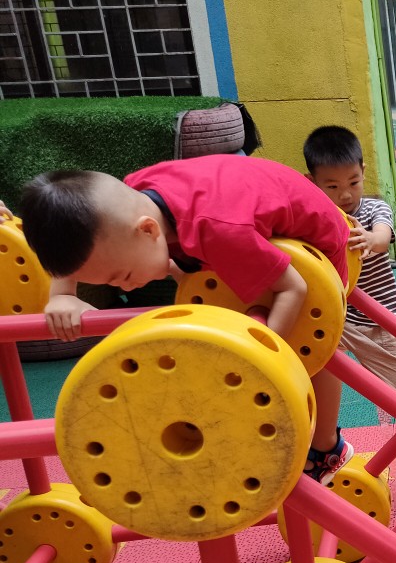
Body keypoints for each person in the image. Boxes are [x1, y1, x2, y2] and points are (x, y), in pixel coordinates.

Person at [18, 155, 355, 484]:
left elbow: (295, 288)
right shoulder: (134, 199)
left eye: (123, 275)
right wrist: (62, 294)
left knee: (313, 349)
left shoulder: (219, 232)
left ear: (148, 230)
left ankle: (328, 447)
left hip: (317, 245)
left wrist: (260, 358)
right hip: (245, 216)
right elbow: (80, 245)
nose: (124, 287)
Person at [304, 125, 396, 394]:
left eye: (353, 182)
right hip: (337, 317)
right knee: (317, 367)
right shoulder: (314, 218)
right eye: (333, 186)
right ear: (312, 182)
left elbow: (383, 236)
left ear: (363, 171)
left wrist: (371, 239)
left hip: (379, 321)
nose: (346, 194)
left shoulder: (373, 209)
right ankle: (325, 422)